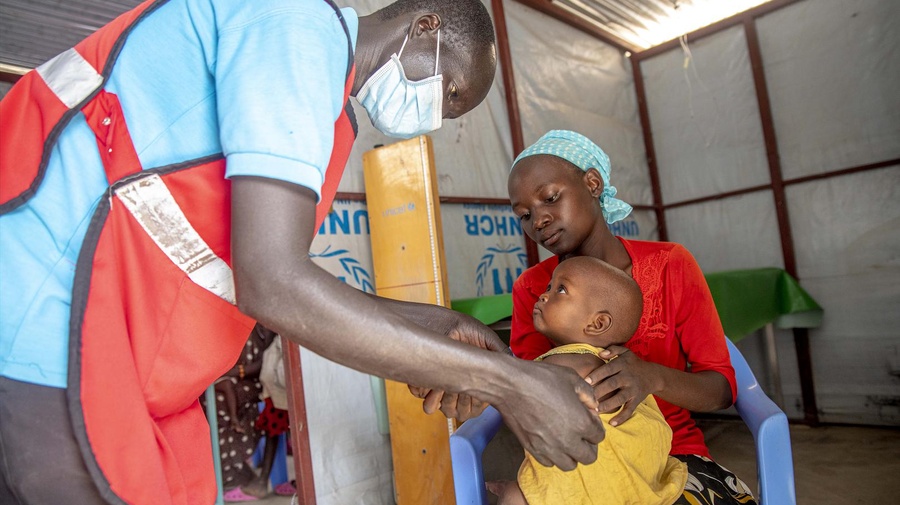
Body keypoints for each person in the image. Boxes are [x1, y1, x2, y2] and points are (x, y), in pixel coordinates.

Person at [0, 2, 605, 504]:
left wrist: (450, 330)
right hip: (54, 311)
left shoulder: (325, 109)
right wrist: (511, 384)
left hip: (129, 357)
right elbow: (274, 284)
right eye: (449, 94)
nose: (434, 120)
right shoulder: (294, 20)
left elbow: (281, 277)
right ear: (426, 25)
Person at [506, 130, 757, 504]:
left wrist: (651, 376)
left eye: (550, 198)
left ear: (593, 183)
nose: (538, 220)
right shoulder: (532, 289)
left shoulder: (671, 264)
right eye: (524, 215)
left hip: (672, 457)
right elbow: (526, 396)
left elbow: (721, 389)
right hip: (583, 464)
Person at [487, 256, 688, 505]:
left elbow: (515, 392)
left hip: (591, 495)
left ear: (597, 323)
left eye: (561, 289)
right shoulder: (618, 366)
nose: (544, 295)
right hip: (635, 489)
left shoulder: (566, 363)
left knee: (515, 497)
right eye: (549, 286)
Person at [201, 324, 278, 500]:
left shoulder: (264, 325)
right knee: (206, 399)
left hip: (253, 381)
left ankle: (232, 475)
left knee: (220, 405)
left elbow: (266, 363)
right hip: (229, 379)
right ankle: (229, 470)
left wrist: (236, 371)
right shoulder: (227, 318)